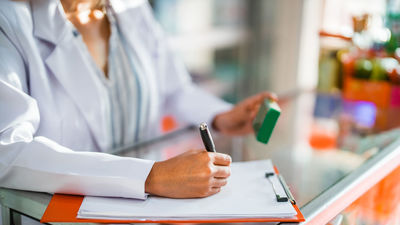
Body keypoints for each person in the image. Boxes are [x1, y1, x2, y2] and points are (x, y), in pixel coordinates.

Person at [0, 0, 276, 199]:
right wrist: (152, 176)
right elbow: (7, 150)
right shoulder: (10, 19)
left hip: (145, 221)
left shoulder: (132, 8)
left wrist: (221, 117)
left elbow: (174, 89)